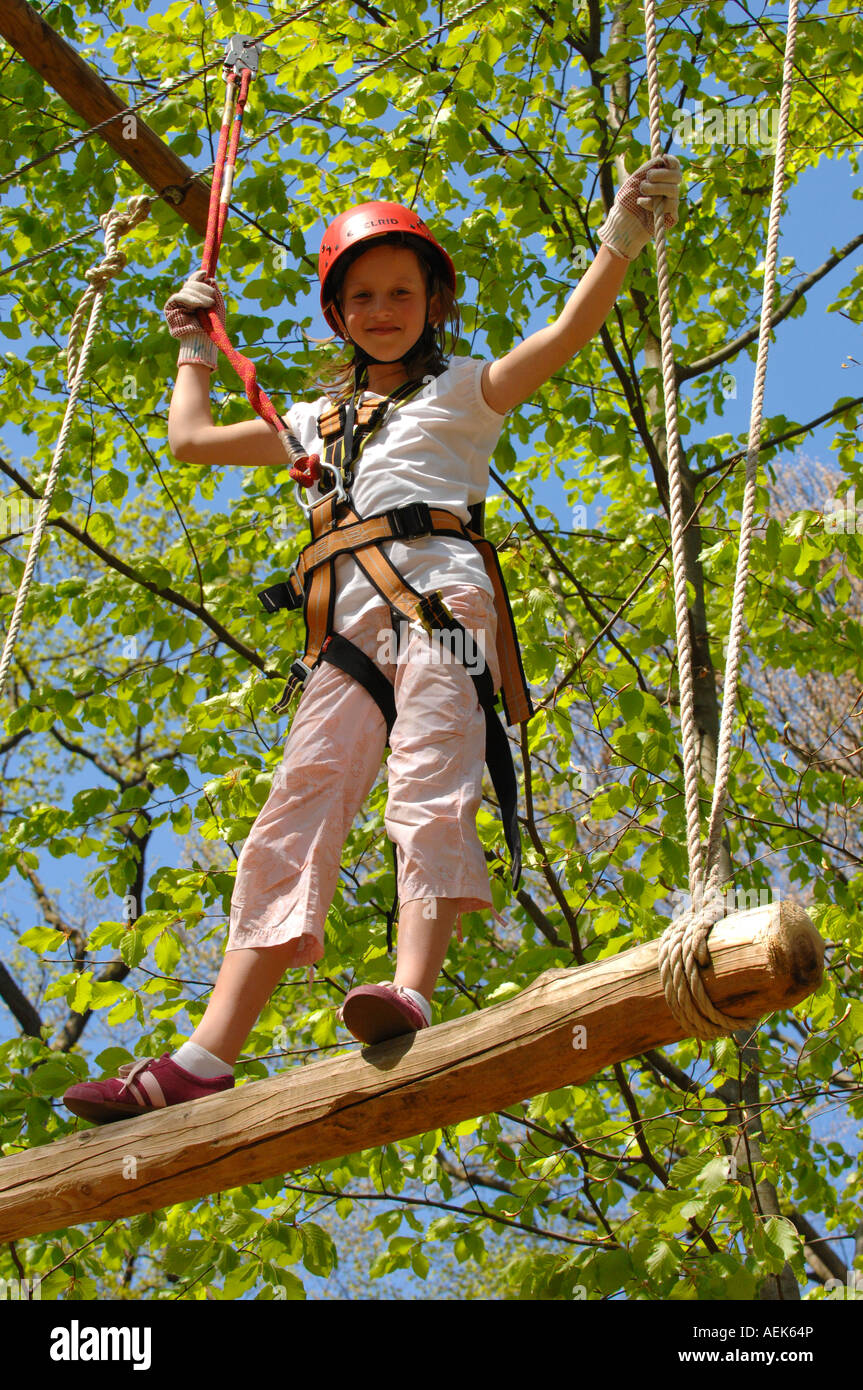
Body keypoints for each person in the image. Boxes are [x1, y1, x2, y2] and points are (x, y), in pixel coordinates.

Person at [63, 155, 681, 1124]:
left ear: (434, 300)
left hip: (449, 602)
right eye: (362, 296)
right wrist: (191, 340)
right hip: (345, 626)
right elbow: (189, 442)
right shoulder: (308, 418)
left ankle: (409, 989)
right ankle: (206, 1051)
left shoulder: (465, 390)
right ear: (337, 314)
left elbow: (564, 333)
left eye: (401, 291)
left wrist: (621, 238)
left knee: (433, 766)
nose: (382, 308)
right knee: (296, 801)